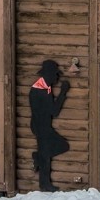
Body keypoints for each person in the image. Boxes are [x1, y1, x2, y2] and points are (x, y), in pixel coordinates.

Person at [30, 59, 70, 191]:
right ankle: (45, 184)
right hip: (41, 126)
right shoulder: (40, 90)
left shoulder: (45, 87)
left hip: (41, 125)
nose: (57, 77)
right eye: (55, 74)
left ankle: (38, 157)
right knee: (52, 152)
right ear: (49, 74)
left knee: (47, 153)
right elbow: (54, 111)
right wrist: (63, 92)